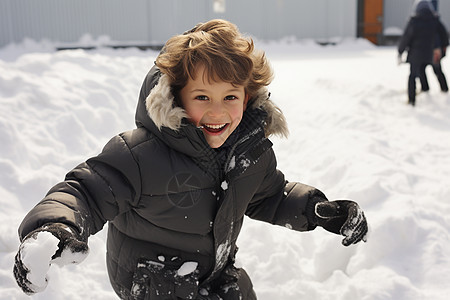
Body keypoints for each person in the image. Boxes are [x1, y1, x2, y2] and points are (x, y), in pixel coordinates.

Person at [13, 19, 368, 300]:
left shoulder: (249, 153)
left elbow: (269, 196)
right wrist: (54, 228)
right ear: (175, 97)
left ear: (248, 98)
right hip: (152, 280)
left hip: (213, 268)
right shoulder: (141, 154)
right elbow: (85, 191)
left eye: (230, 96)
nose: (218, 112)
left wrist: (315, 210)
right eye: (202, 96)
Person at [398, 0, 449, 106]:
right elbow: (444, 35)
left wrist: (400, 51)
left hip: (416, 54)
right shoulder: (435, 20)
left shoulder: (413, 21)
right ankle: (444, 90)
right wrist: (443, 47)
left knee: (413, 75)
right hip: (433, 52)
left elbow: (406, 38)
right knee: (438, 71)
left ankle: (412, 100)